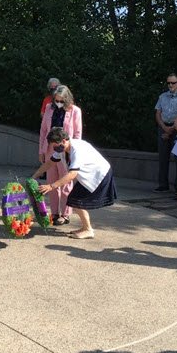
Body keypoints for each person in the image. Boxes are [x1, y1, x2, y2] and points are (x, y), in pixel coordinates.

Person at [32, 127, 116, 239]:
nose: (55, 149)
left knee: (76, 200)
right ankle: (85, 228)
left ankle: (88, 230)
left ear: (63, 141)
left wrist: (51, 186)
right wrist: (34, 176)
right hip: (88, 176)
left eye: (56, 146)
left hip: (99, 175)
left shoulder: (77, 149)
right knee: (74, 199)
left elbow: (72, 174)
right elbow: (49, 163)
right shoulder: (62, 150)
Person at [39, 85, 83, 225]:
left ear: (66, 99)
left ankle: (65, 214)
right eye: (56, 100)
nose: (58, 103)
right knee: (51, 182)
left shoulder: (75, 111)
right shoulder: (49, 108)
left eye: (61, 101)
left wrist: (74, 153)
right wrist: (41, 150)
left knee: (65, 182)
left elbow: (77, 134)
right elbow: (43, 130)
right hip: (50, 148)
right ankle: (54, 212)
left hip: (66, 150)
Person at [154, 73, 177, 192]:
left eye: (173, 83)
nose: (170, 85)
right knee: (163, 157)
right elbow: (158, 113)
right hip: (164, 127)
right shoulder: (162, 96)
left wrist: (173, 128)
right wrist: (164, 127)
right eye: (168, 83)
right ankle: (163, 184)